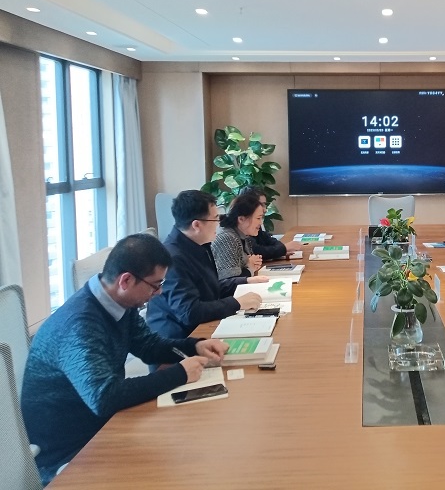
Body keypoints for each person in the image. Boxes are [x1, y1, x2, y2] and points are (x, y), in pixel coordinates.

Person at [21, 233, 228, 486]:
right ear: (126, 280)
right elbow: (105, 397)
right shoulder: (80, 324)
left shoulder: (118, 303)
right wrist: (180, 373)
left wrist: (194, 346)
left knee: (193, 448)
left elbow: (149, 346)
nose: (159, 292)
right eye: (155, 285)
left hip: (103, 426)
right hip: (70, 454)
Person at [146, 190, 266, 339]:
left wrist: (246, 281)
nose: (219, 223)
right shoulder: (173, 258)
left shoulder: (198, 244)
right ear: (197, 225)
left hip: (202, 327)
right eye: (215, 219)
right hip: (180, 339)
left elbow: (208, 287)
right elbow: (189, 312)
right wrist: (236, 303)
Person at [237, 186, 303, 262]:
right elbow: (256, 251)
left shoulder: (254, 223)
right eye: (261, 205)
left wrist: (281, 249)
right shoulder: (233, 234)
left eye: (264, 204)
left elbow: (267, 239)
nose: (265, 209)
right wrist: (283, 248)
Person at [211, 192, 267, 279]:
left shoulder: (242, 235)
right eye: (258, 218)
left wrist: (251, 264)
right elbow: (230, 280)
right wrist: (250, 267)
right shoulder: (227, 238)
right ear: (241, 219)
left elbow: (248, 262)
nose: (261, 223)